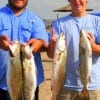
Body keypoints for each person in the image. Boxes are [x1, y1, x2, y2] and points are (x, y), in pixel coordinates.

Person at [47, 0, 100, 100]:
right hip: (65, 86)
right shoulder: (59, 24)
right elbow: (50, 55)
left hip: (93, 87)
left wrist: (93, 47)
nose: (77, 1)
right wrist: (52, 45)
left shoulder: (97, 21)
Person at [0, 0, 48, 100]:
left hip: (30, 85)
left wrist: (38, 44)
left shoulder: (35, 19)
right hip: (2, 85)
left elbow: (44, 44)